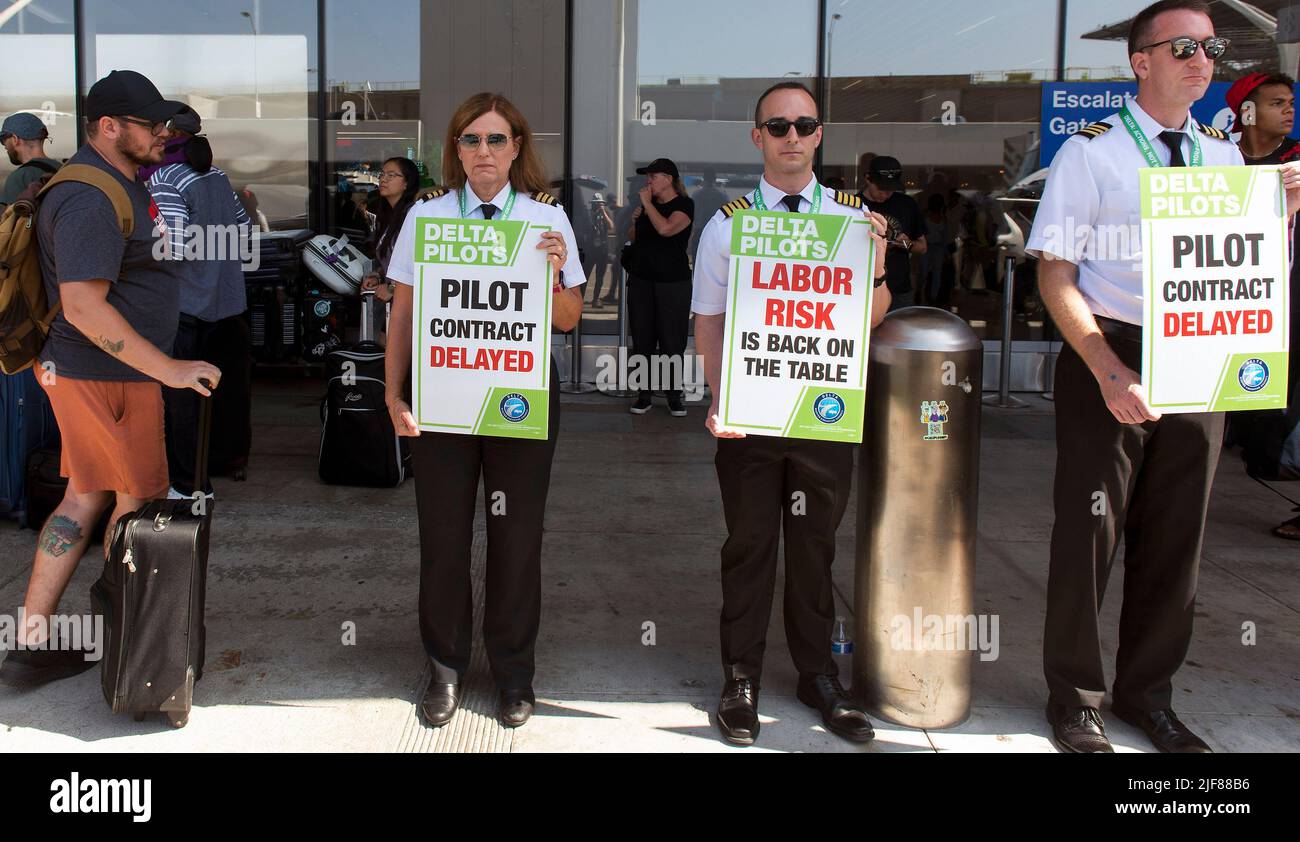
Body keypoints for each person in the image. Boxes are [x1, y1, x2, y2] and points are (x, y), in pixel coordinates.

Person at [1026, 0, 1300, 753]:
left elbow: (1244, 272)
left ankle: (1149, 695)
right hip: (1107, 351)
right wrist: (1108, 369)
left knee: (1177, 536)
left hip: (1199, 354)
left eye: (1210, 47)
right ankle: (1077, 698)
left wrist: (1279, 217)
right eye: (1181, 46)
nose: (1201, 59)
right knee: (1090, 532)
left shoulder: (1223, 157)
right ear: (1139, 61)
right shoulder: (1093, 152)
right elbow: (1056, 275)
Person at [0, 70, 221, 688]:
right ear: (108, 126)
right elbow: (83, 305)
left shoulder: (108, 185)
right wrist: (169, 368)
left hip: (97, 375)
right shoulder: (89, 198)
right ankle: (135, 655)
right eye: (150, 124)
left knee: (85, 497)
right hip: (110, 378)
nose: (162, 133)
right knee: (137, 505)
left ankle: (36, 644)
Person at [692, 81, 890, 746]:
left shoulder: (852, 222)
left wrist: (880, 268)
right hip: (751, 417)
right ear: (758, 138)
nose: (792, 137)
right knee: (749, 548)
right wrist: (720, 398)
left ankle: (818, 676)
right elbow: (710, 323)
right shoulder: (729, 224)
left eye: (803, 125)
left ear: (819, 134)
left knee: (815, 551)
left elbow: (863, 320)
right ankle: (741, 678)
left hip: (821, 413)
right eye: (777, 126)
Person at [384, 92, 584, 730]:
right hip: (441, 396)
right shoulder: (427, 217)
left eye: (497, 140)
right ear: (456, 149)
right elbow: (403, 312)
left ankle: (513, 673)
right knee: (442, 539)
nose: (484, 152)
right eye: (471, 140)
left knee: (516, 541)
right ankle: (444, 667)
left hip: (521, 398)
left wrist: (553, 274)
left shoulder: (544, 219)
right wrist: (392, 393)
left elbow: (569, 318)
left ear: (517, 147)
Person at [143, 106, 252, 498]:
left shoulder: (165, 177)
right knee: (227, 390)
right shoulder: (217, 176)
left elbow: (172, 245)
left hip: (187, 304)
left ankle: (189, 482)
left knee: (183, 397)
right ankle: (229, 459)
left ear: (166, 133)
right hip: (228, 301)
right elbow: (242, 226)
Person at [1225, 73, 1300, 539]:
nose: (1289, 111)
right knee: (1252, 407)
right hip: (1233, 302)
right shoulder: (1214, 156)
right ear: (1246, 112)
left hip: (1292, 300)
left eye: (1290, 102)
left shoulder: (1297, 160)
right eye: (1277, 103)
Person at [626, 158, 694, 416]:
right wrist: (636, 220)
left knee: (671, 340)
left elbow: (667, 229)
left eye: (652, 177)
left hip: (672, 284)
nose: (648, 182)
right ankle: (644, 395)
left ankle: (673, 395)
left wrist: (645, 206)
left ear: (668, 179)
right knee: (643, 338)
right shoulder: (648, 206)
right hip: (642, 280)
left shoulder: (685, 205)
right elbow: (633, 237)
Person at [360, 156, 420, 345]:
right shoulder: (386, 216)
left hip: (410, 304)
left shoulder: (415, 214)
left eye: (392, 175)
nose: (383, 179)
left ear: (406, 183)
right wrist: (378, 276)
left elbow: (418, 264)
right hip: (393, 303)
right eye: (382, 174)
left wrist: (393, 288)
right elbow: (391, 260)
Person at [861, 155, 926, 310]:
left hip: (899, 288)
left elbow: (922, 247)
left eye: (891, 189)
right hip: (863, 287)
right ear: (868, 179)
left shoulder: (906, 204)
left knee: (900, 334)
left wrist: (906, 244)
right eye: (882, 188)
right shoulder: (853, 206)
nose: (886, 193)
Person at [0, 112, 61, 207]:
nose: (4, 146)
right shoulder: (62, 168)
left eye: (3, 140)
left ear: (15, 139)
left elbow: (11, 220)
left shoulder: (19, 178)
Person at [921, 192, 951, 306]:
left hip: (937, 246)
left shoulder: (942, 217)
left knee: (935, 272)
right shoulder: (926, 215)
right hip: (928, 246)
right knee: (926, 272)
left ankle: (932, 296)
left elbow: (945, 236)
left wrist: (945, 251)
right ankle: (924, 295)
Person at [586, 192, 616, 306]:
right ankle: (581, 296)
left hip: (603, 249)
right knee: (586, 274)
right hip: (591, 248)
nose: (597, 206)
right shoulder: (589, 214)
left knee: (600, 276)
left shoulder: (605, 213)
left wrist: (603, 212)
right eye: (595, 204)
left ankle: (596, 299)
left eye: (599, 203)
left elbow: (611, 226)